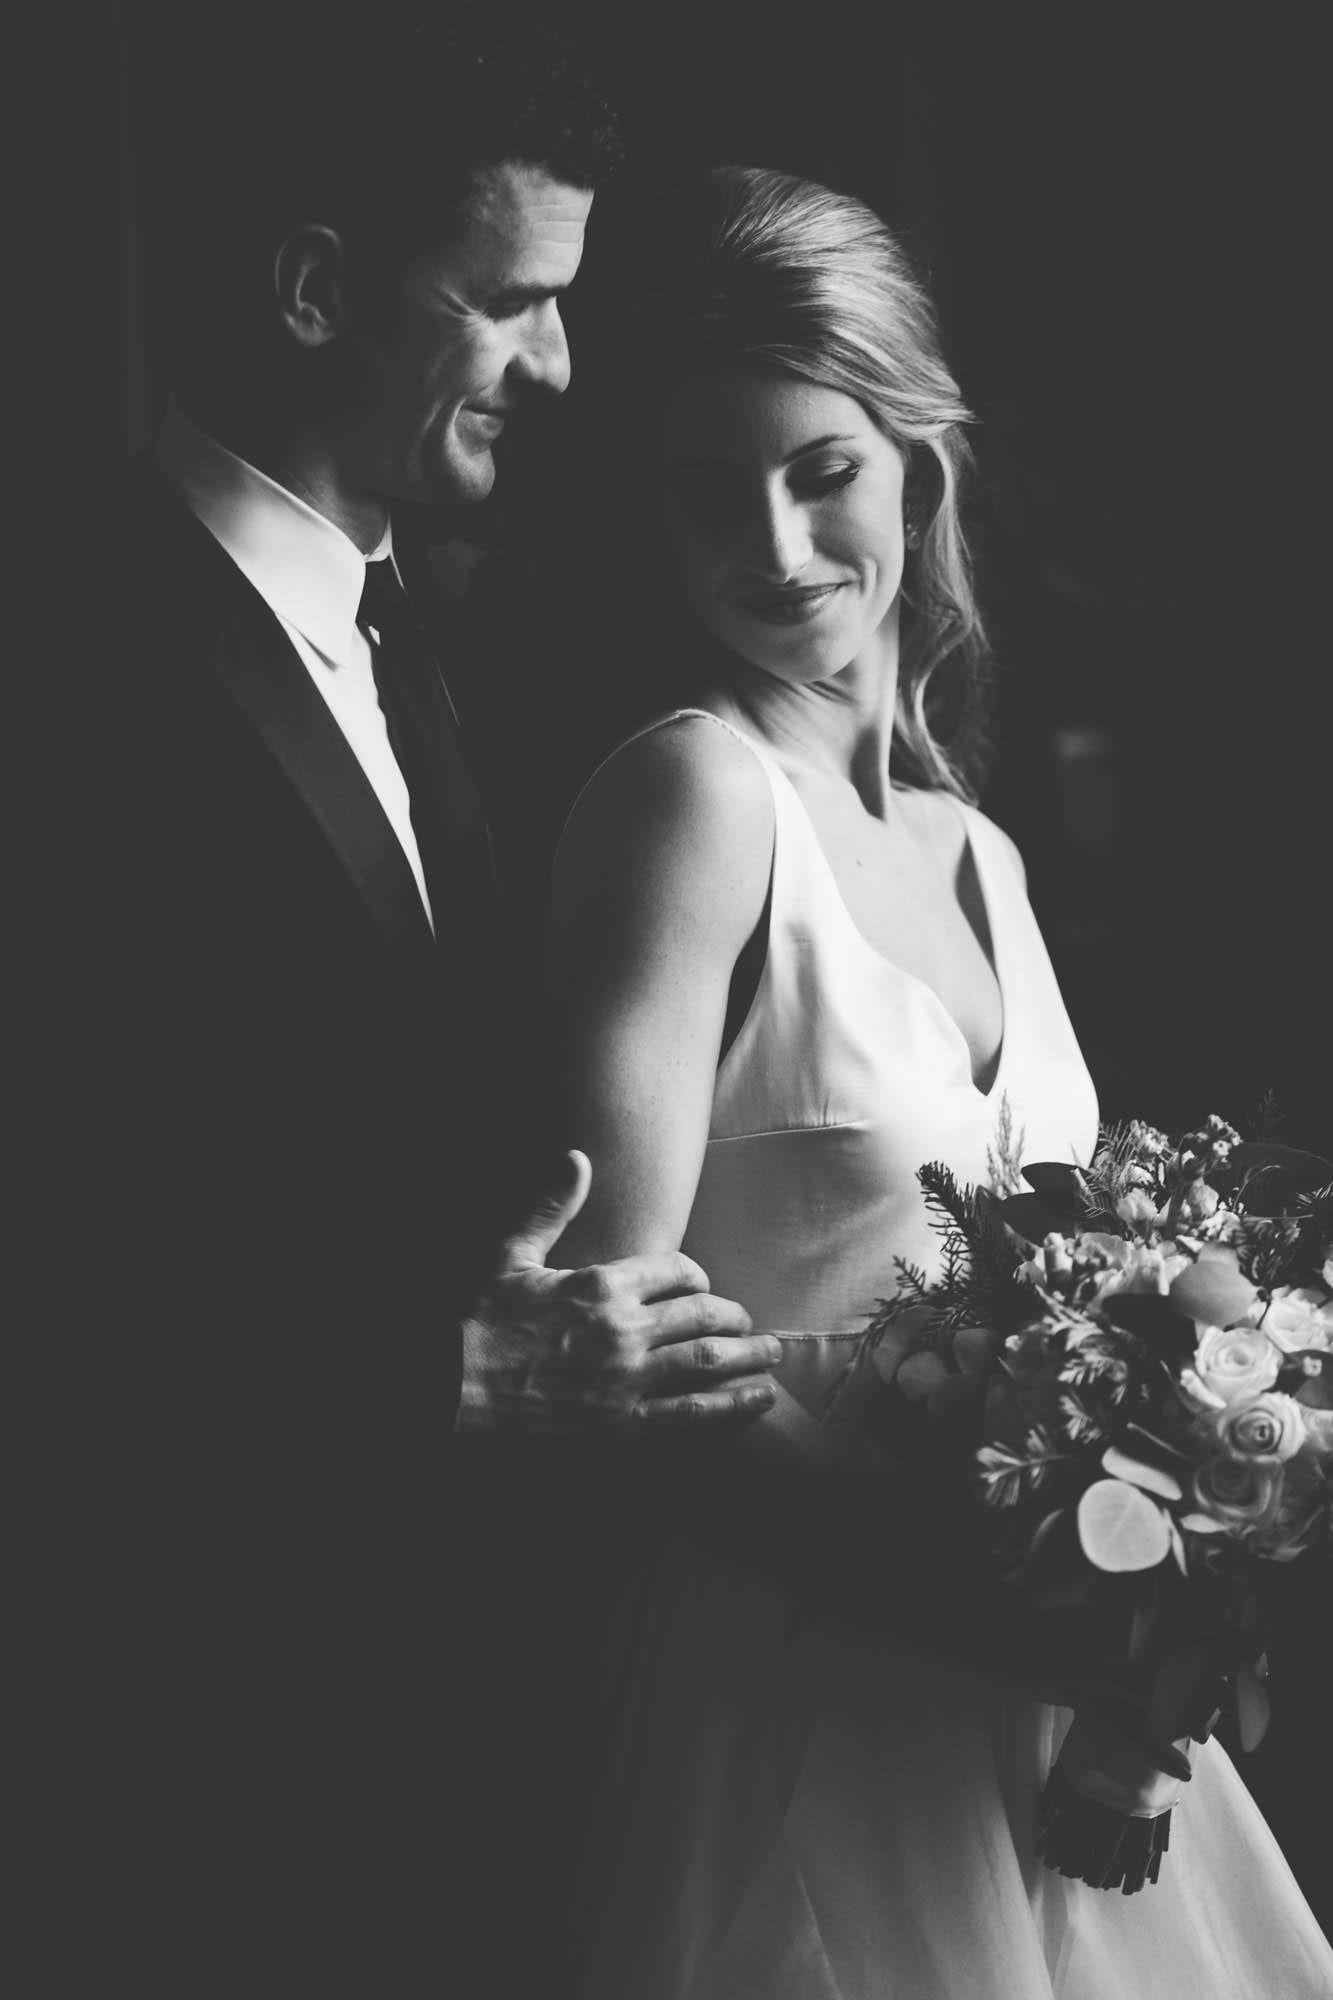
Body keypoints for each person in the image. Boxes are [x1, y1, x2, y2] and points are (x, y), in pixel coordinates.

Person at [18, 13, 782, 1993]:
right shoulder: (69, 674)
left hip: (462, 1737)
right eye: (515, 302)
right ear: (312, 288)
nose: (556, 365)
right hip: (190, 1766)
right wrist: (445, 1379)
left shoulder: (414, 643)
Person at [516, 165, 1333, 1998]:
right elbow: (612, 1337)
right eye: (709, 493)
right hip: (797, 1671)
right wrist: (974, 1612)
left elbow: (1097, 1307)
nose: (780, 548)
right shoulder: (690, 797)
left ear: (917, 462)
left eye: (823, 473)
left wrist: (1155, 1603)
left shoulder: (984, 855)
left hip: (1031, 1693)